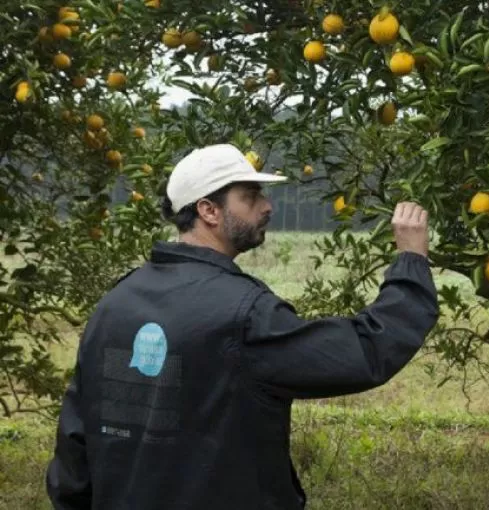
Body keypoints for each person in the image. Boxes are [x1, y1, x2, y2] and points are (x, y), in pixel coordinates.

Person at [45, 143, 439, 509]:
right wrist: (411, 263)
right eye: (251, 197)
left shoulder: (116, 303)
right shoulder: (243, 315)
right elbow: (364, 353)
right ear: (208, 210)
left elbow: (75, 445)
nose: (266, 207)